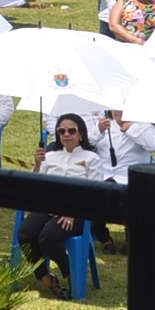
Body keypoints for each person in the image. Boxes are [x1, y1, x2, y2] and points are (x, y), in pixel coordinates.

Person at [18, 113, 103, 296]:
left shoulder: (91, 158)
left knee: (47, 238)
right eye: (62, 131)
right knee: (25, 234)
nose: (66, 134)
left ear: (81, 134)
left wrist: (72, 211)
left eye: (71, 130)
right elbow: (36, 185)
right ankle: (45, 277)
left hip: (77, 212)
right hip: (49, 207)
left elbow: (95, 192)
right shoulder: (50, 156)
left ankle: (71, 273)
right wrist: (37, 165)